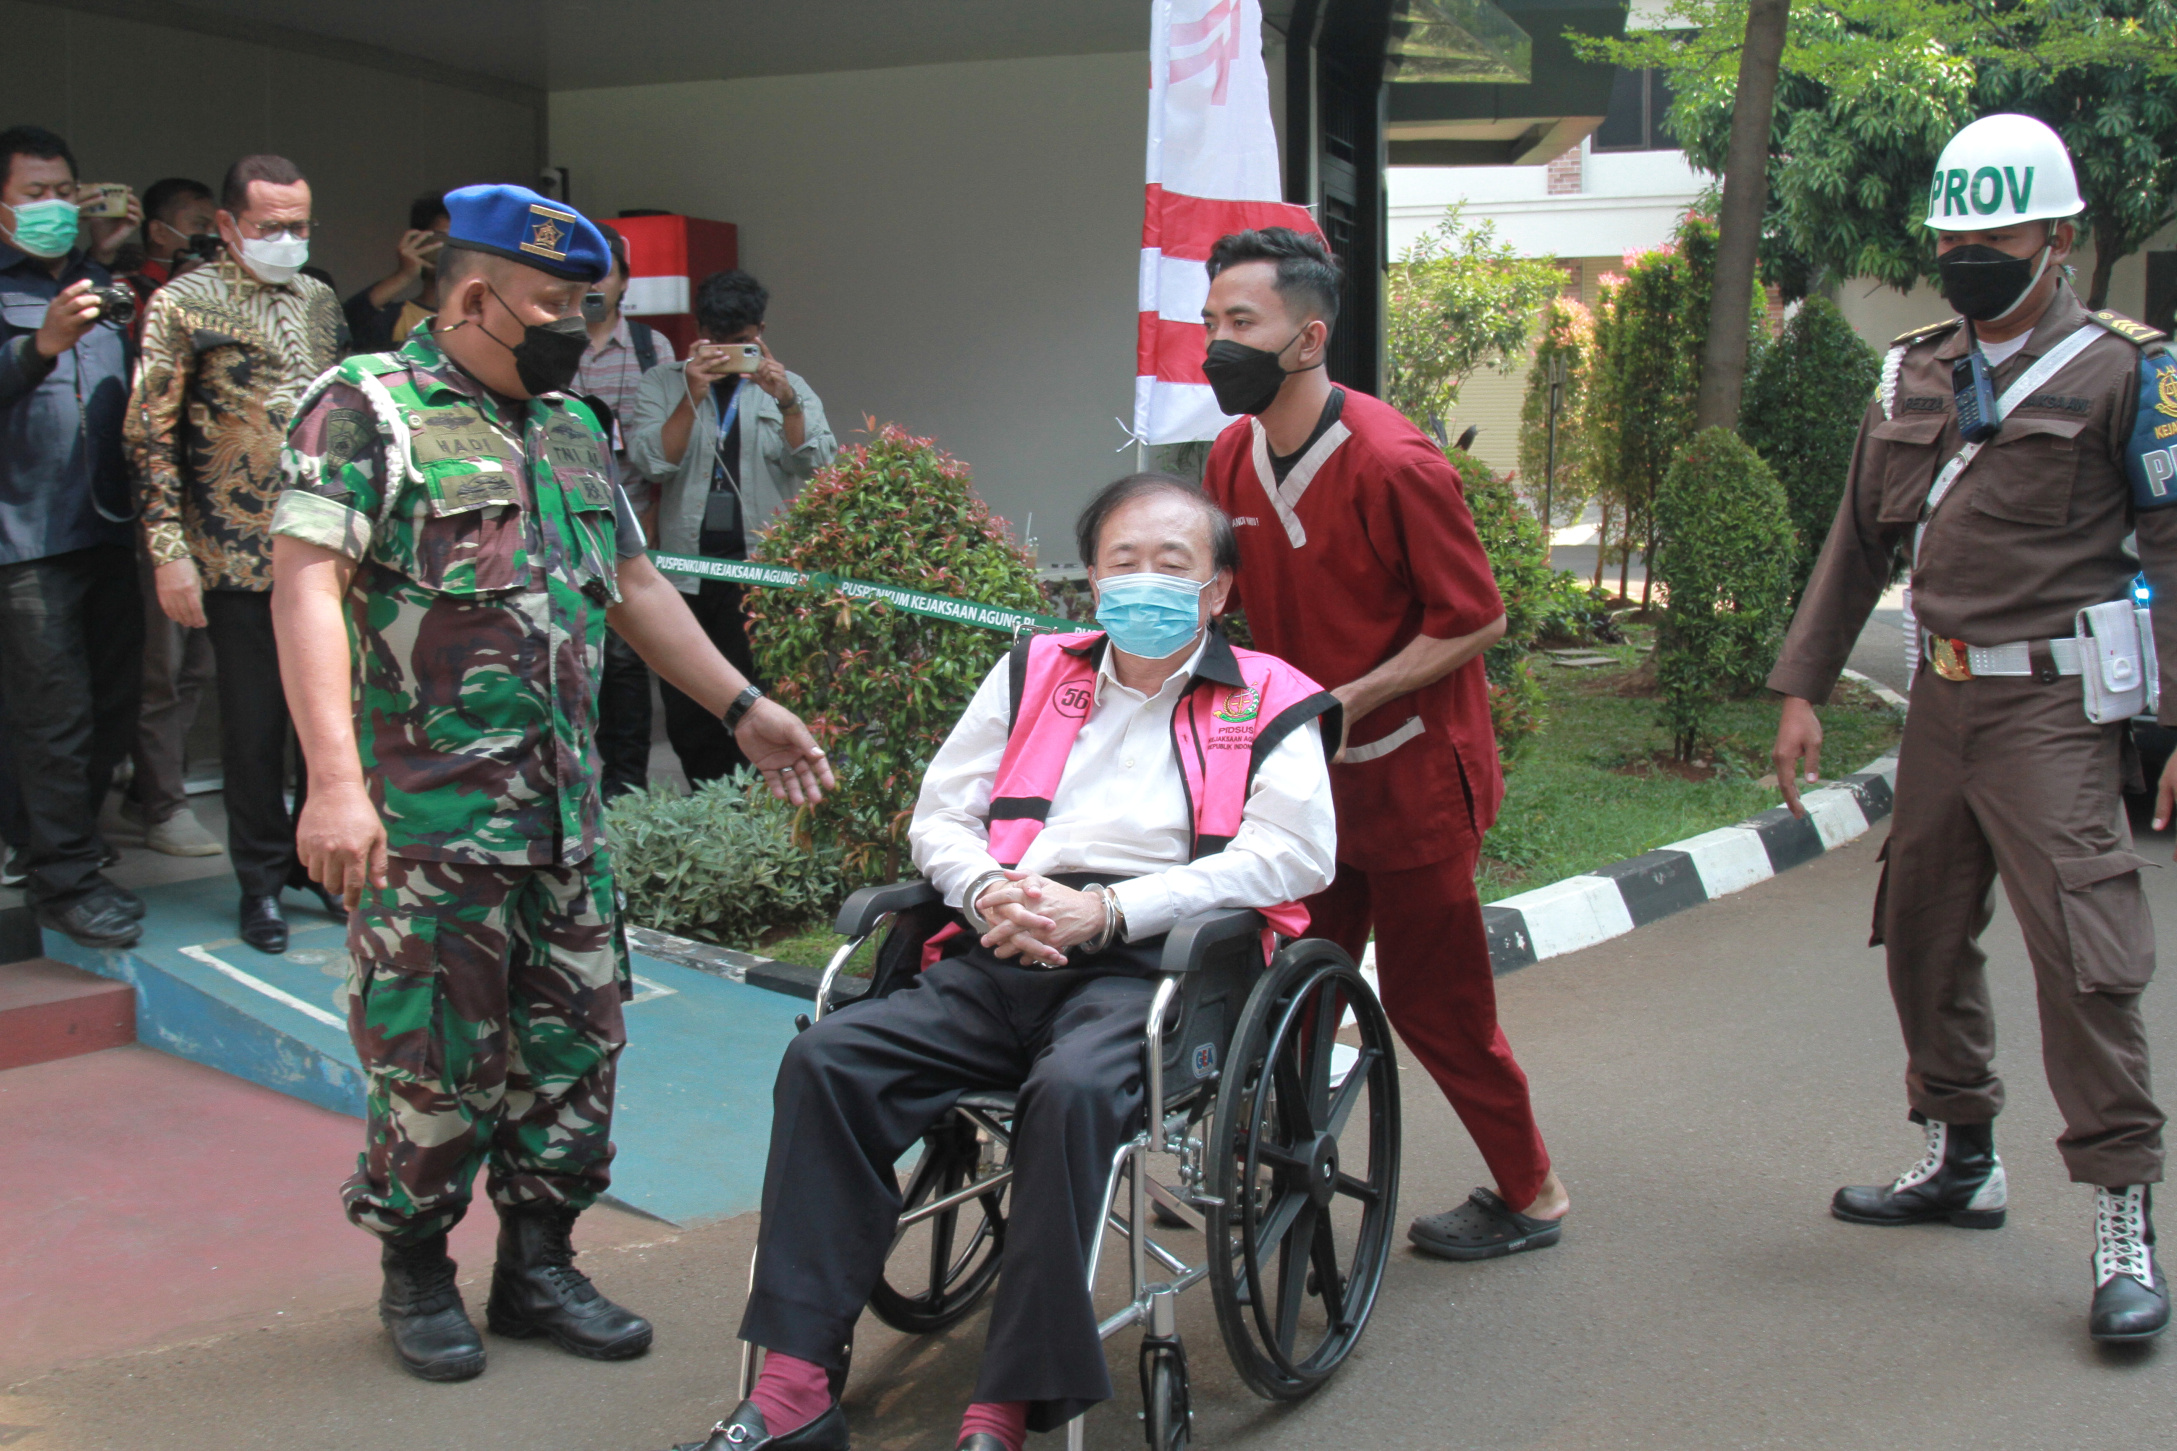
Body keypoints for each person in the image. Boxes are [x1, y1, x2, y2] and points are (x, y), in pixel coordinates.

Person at [271, 183, 835, 1385]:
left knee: (575, 1051)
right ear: (476, 296)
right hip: (428, 825)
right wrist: (332, 782)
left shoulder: (571, 425)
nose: (578, 328)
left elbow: (634, 585)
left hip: (566, 821)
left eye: (587, 305)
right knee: (432, 1062)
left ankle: (538, 1265)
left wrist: (744, 706)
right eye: (557, 305)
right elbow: (307, 584)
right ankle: (417, 1271)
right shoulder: (364, 407)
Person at [662, 476, 1338, 1451]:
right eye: (1123, 561)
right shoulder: (1033, 669)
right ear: (1092, 578)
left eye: (1172, 563)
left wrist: (1109, 909)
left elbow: (1292, 853)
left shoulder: (1272, 696)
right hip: (1005, 936)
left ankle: (1005, 1406)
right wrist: (985, 891)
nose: (1144, 580)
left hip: (1159, 966)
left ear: (1218, 589)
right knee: (828, 1060)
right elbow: (942, 811)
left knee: (1071, 1091)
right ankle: (795, 1383)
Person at [1769, 113, 2175, 1343]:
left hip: (2053, 703)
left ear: (2056, 237)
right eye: (1952, 236)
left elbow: (2171, 550)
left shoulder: (2127, 372)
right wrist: (1802, 684)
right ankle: (1961, 1155)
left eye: (1993, 235)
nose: (1966, 255)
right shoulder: (1911, 372)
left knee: (2081, 955)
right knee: (1920, 931)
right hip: (1939, 701)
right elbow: (1855, 541)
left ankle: (2121, 1213)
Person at [1197, 226, 1573, 1260]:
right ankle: (1280, 1165)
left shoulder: (1393, 461)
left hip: (1412, 778)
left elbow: (1476, 617)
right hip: (1306, 782)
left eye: (1241, 321)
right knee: (1289, 984)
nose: (1216, 344)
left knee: (1432, 1002)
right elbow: (1229, 603)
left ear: (1308, 336)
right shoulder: (1230, 457)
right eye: (1210, 320)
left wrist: (1349, 698)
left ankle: (1532, 1190)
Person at [127, 154, 347, 952]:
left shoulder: (319, 298)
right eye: (270, 226)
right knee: (253, 726)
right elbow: (149, 434)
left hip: (323, 546)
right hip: (234, 552)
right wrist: (168, 550)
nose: (287, 239)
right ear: (227, 225)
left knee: (325, 717)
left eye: (300, 225)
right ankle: (260, 879)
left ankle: (320, 865)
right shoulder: (182, 303)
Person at [0, 123, 146, 949]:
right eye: (34, 193)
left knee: (111, 710)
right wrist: (38, 346)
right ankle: (62, 883)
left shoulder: (99, 282)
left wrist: (108, 252)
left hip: (108, 526)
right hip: (26, 535)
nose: (52, 205)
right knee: (52, 717)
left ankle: (61, 847)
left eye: (63, 191)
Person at [628, 267, 835, 784]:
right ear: (700, 332)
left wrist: (786, 401)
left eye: (740, 342)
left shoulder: (788, 386)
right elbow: (653, 462)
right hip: (685, 574)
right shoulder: (662, 383)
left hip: (761, 574)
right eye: (717, 341)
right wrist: (692, 396)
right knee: (689, 705)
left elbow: (818, 461)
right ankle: (707, 799)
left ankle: (760, 800)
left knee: (763, 692)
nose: (727, 353)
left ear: (760, 332)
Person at [111, 176, 222, 859]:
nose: (209, 240)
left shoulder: (227, 298)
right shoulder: (129, 294)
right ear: (160, 231)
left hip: (216, 508)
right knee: (162, 664)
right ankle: (163, 802)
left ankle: (151, 787)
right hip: (157, 506)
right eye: (197, 226)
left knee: (195, 667)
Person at [574, 223, 676, 801]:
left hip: (628, 518)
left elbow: (664, 447)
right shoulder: (551, 339)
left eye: (604, 273)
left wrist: (655, 517)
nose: (594, 284)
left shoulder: (649, 348)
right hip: (563, 519)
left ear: (624, 281)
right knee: (572, 654)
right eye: (584, 272)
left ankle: (626, 784)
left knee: (627, 659)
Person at [343, 192, 448, 353]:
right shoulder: (397, 317)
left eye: (463, 240)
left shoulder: (485, 319)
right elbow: (343, 326)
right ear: (417, 243)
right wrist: (404, 275)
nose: (453, 251)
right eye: (442, 239)